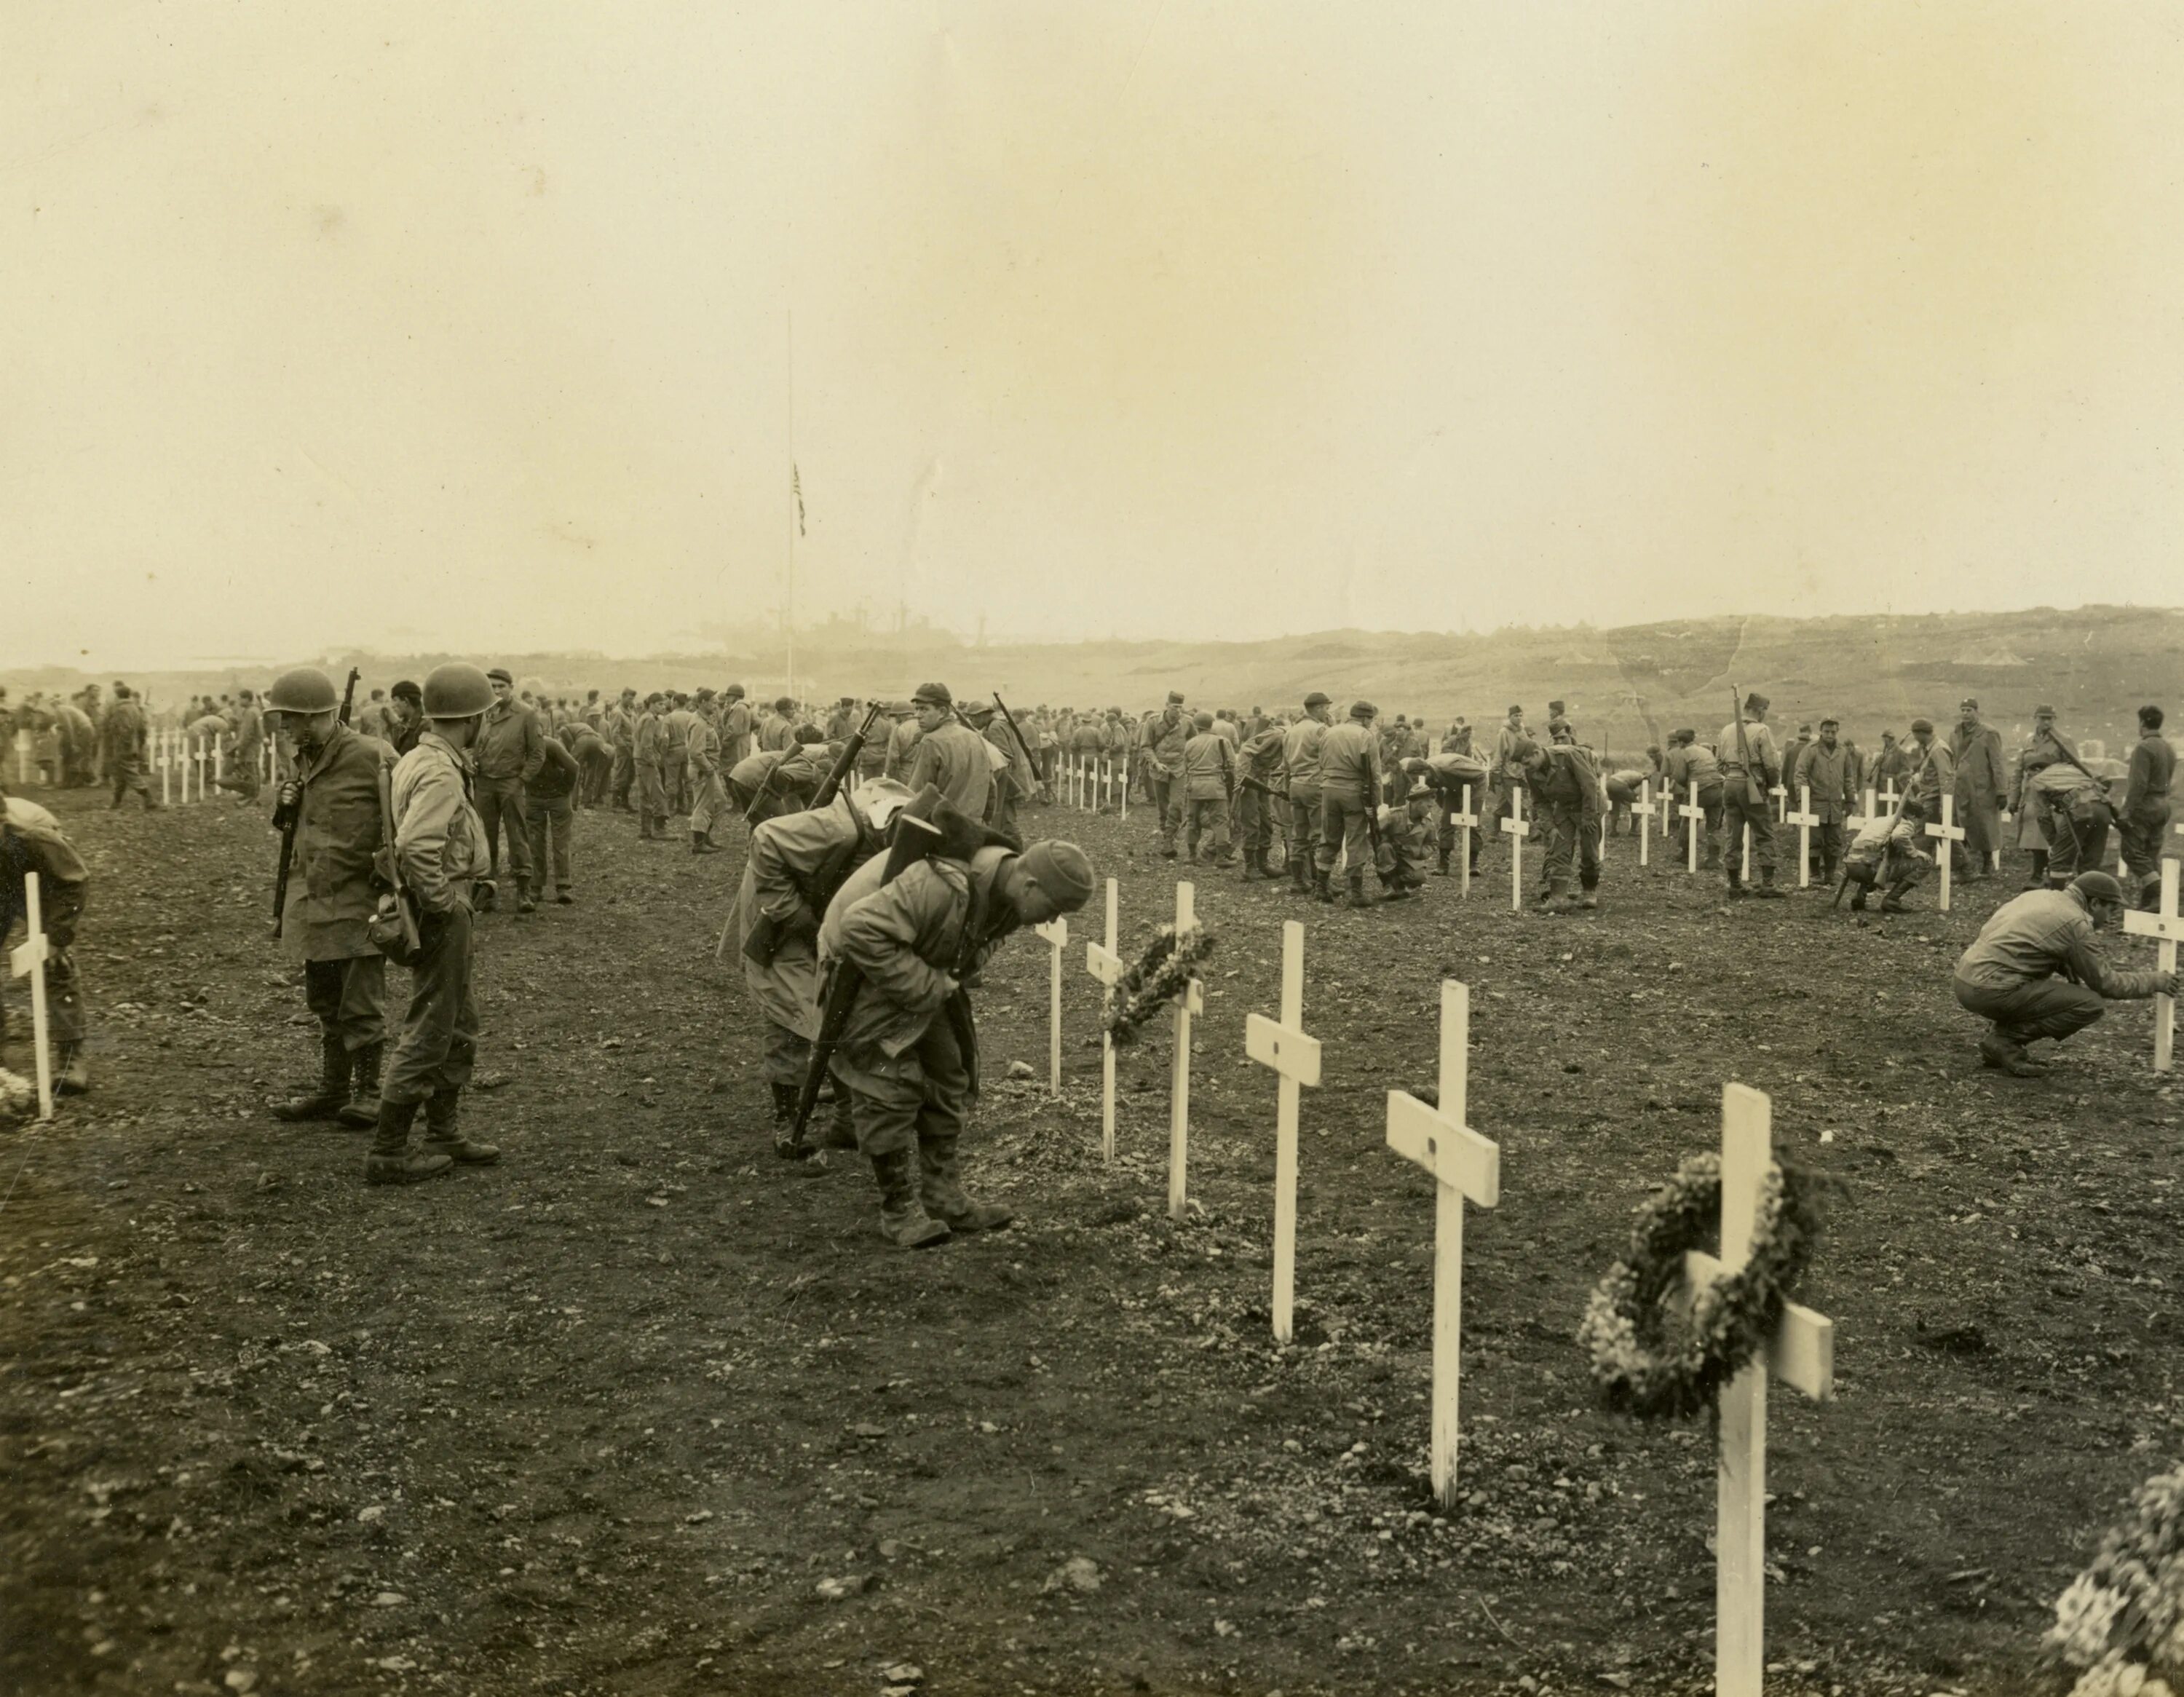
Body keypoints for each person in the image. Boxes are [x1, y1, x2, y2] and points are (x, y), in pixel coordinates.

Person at [820, 830, 1096, 1246]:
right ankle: (897, 1212)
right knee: (888, 1087)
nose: (1052, 920)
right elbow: (859, 928)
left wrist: (952, 973)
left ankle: (944, 1198)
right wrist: (929, 984)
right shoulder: (940, 885)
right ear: (1030, 884)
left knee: (951, 1075)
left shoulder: (1008, 895)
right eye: (1054, 908)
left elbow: (987, 937)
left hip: (919, 963)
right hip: (864, 971)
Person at [373, 662, 502, 1184]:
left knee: (457, 1019)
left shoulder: (422, 758)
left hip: (436, 902)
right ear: (470, 720)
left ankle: (443, 1131)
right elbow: (415, 844)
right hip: (441, 906)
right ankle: (388, 1148)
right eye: (484, 717)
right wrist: (445, 901)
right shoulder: (442, 771)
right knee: (431, 1024)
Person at [734, 778, 913, 1151]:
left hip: (819, 917)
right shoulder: (842, 828)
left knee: (837, 1003)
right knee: (791, 1012)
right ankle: (786, 1119)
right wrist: (795, 915)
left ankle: (847, 1115)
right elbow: (765, 838)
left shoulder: (882, 827)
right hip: (779, 920)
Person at [263, 668, 395, 1128]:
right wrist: (284, 806)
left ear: (315, 717)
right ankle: (334, 1090)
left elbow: (408, 820)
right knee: (324, 1000)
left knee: (361, 1003)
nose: (282, 728)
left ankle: (370, 1094)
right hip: (311, 899)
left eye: (289, 719)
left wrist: (387, 877)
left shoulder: (373, 756)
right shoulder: (303, 757)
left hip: (359, 900)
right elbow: (294, 827)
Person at [1952, 871, 2176, 1076]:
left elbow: (2015, 940)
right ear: (2095, 903)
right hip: (1990, 990)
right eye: (2110, 910)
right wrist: (2154, 981)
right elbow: (2107, 984)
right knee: (2089, 1004)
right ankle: (2005, 1041)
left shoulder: (2039, 896)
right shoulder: (2076, 922)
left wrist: (2059, 961)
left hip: (1964, 979)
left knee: (2040, 985)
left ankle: (1999, 1042)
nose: (2108, 920)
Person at [0, 780, 92, 1093]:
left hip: (39, 876)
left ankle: (71, 1057)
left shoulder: (32, 836)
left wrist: (56, 937)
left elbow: (73, 880)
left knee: (54, 961)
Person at [474, 668, 542, 912]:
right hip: (483, 784)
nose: (496, 691)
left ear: (511, 687)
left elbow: (537, 754)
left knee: (517, 836)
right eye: (491, 687)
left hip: (510, 783)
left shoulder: (526, 714)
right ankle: (487, 893)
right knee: (484, 839)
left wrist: (521, 780)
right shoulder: (481, 713)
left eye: (501, 686)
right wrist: (471, 760)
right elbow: (469, 744)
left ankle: (524, 892)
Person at [1315, 700, 1382, 909]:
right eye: (1370, 718)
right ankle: (1356, 892)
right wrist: (1377, 802)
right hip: (1354, 792)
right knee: (1355, 840)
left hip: (1329, 788)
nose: (1371, 723)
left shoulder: (1329, 732)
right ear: (1364, 718)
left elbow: (1321, 762)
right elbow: (1375, 774)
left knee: (1329, 838)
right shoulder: (1366, 736)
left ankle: (1321, 887)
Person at [1717, 693, 1784, 897]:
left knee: (1733, 835)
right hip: (1753, 785)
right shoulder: (1762, 730)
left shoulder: (1726, 730)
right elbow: (1772, 765)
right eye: (1764, 711)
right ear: (1760, 711)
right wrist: (1770, 785)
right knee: (1764, 834)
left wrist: (1733, 774)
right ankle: (1768, 884)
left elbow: (1719, 763)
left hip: (1730, 784)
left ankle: (1735, 885)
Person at [1524, 733, 1601, 911]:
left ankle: (1589, 892)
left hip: (1588, 804)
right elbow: (1540, 801)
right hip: (1564, 807)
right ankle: (1558, 898)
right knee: (1559, 847)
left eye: (1527, 762)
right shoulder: (1531, 771)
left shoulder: (1566, 756)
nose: (1526, 767)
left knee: (1589, 849)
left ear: (1537, 753)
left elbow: (1589, 784)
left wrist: (1589, 816)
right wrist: (1549, 826)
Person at [905, 684, 992, 820]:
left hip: (943, 829)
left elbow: (915, 796)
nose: (918, 715)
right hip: (975, 826)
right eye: (917, 709)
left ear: (943, 712)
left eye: (924, 710)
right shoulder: (974, 737)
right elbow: (991, 785)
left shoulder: (931, 742)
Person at [2120, 705, 2175, 909]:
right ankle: (2151, 901)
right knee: (2151, 854)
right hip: (2163, 805)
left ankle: (2158, 889)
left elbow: (2138, 785)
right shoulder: (2168, 747)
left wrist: (2126, 812)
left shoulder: (2143, 748)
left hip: (2146, 806)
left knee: (2131, 852)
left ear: (2142, 723)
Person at [2007, 705, 2069, 887]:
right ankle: (2036, 875)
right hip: (2032, 792)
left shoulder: (2063, 741)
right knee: (2033, 833)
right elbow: (2018, 771)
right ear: (2036, 719)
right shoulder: (2028, 742)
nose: (2047, 722)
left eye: (2050, 718)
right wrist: (2013, 798)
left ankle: (2052, 874)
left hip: (2053, 792)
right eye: (2043, 718)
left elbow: (2071, 768)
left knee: (2051, 834)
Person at [1948, 697, 2007, 884]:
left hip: (1982, 787)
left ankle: (1987, 865)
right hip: (1961, 787)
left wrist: (2001, 790)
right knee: (1958, 824)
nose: (1965, 713)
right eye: (1963, 710)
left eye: (1969, 710)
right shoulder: (1956, 733)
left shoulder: (1988, 733)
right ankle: (1965, 867)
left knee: (1984, 827)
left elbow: (1997, 762)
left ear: (1977, 712)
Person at [1795, 717, 1858, 889]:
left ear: (1837, 733)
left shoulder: (1843, 752)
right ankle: (1815, 874)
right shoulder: (1811, 750)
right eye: (1827, 731)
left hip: (1835, 805)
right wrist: (1803, 798)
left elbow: (1848, 778)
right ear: (1821, 732)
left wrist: (1850, 800)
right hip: (1816, 803)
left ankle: (1830, 874)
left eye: (1833, 732)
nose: (1830, 735)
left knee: (1834, 841)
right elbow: (1800, 774)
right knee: (1815, 840)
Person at [1841, 796, 1931, 913]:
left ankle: (1860, 895)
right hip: (1868, 868)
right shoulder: (1906, 824)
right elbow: (1898, 836)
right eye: (1918, 818)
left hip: (1851, 865)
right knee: (1924, 862)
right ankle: (1892, 900)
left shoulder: (1879, 820)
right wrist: (1915, 853)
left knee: (1875, 856)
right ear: (1913, 816)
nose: (1917, 822)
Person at [522, 734, 584, 902]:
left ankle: (563, 886)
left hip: (558, 796)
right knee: (534, 841)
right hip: (534, 797)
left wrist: (565, 789)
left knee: (561, 841)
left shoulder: (551, 745)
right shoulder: (516, 747)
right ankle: (536, 886)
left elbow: (573, 767)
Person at [1282, 692, 1332, 896]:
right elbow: (1329, 758)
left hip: (1295, 785)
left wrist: (1288, 788)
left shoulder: (1290, 732)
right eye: (1326, 708)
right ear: (1318, 708)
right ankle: (1323, 884)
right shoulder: (1320, 730)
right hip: (1315, 785)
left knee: (1299, 835)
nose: (1328, 712)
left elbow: (1285, 765)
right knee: (1322, 835)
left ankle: (1297, 881)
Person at [1178, 711, 1237, 867]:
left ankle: (1192, 855)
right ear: (1211, 725)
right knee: (1220, 822)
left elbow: (1186, 766)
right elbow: (1232, 765)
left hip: (1194, 786)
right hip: (1216, 786)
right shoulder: (1222, 742)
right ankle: (1221, 857)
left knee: (1192, 821)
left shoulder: (1190, 743)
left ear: (1196, 727)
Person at [1233, 719, 1287, 880]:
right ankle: (1249, 868)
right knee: (1252, 822)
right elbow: (1246, 749)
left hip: (1263, 780)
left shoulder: (1292, 739)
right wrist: (1242, 779)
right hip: (1250, 779)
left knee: (1266, 822)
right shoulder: (1278, 735)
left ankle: (1262, 865)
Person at [1140, 693, 1190, 858]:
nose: (1178, 710)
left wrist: (1188, 764)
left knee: (1176, 804)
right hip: (1158, 769)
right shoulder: (1153, 722)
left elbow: (1193, 744)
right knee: (1162, 806)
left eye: (1180, 707)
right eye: (1175, 707)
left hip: (1179, 769)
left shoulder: (1187, 722)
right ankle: (1166, 835)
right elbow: (1146, 746)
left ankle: (1169, 840)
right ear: (1167, 705)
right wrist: (1156, 763)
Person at [100, 684, 159, 810]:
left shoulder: (120, 709)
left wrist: (121, 745)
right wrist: (139, 744)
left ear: (117, 696)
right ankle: (116, 803)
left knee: (130, 773)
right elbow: (142, 729)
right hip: (133, 745)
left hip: (122, 747)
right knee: (120, 775)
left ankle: (150, 799)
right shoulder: (135, 708)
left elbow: (123, 730)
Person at [1375, 780, 1435, 900]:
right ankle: (1387, 884)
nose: (1431, 806)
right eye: (1428, 805)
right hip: (1390, 855)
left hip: (1409, 858)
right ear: (1418, 803)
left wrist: (1420, 852)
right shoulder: (1393, 815)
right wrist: (1383, 841)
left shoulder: (1428, 823)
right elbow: (1372, 831)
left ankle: (1398, 884)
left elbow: (1432, 843)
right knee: (1385, 848)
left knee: (1420, 877)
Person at [684, 708, 727, 854]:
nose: (715, 706)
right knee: (703, 805)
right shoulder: (699, 723)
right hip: (702, 769)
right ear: (704, 703)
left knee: (719, 801)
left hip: (707, 768)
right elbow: (696, 752)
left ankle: (705, 836)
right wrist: (708, 768)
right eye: (713, 703)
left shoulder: (704, 720)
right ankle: (699, 843)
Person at [634, 692, 672, 841]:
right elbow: (647, 744)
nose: (663, 707)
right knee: (658, 794)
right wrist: (654, 761)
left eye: (664, 704)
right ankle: (660, 829)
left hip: (639, 759)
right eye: (660, 704)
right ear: (652, 704)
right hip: (646, 760)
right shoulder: (650, 719)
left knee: (644, 795)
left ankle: (645, 829)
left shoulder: (645, 717)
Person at [386, 681, 425, 758]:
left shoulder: (425, 726)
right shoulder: (401, 726)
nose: (392, 705)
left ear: (406, 701)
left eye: (395, 700)